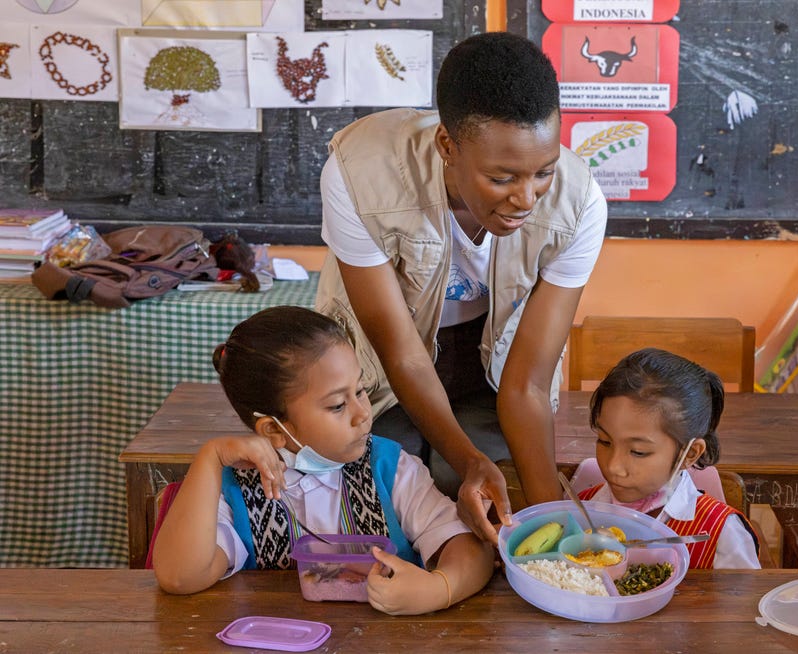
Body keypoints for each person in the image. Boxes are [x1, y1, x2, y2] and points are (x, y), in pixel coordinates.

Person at [315, 31, 608, 541]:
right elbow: (402, 354)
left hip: (489, 365)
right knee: (384, 493)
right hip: (383, 367)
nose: (526, 198)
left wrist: (555, 532)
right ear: (447, 146)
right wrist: (469, 459)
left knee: (495, 513)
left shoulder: (579, 203)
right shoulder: (359, 171)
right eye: (502, 178)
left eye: (543, 172)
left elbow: (527, 383)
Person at [151, 306, 494, 615]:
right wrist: (210, 459)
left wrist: (440, 588)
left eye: (359, 390)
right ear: (273, 428)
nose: (363, 414)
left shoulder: (389, 469)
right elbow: (180, 577)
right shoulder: (236, 490)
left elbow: (469, 547)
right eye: (337, 405)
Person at [569, 348, 761, 569]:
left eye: (638, 452)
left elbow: (742, 603)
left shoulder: (721, 534)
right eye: (604, 441)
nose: (613, 467)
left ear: (689, 454)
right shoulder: (582, 510)